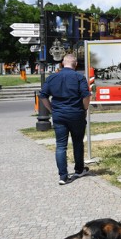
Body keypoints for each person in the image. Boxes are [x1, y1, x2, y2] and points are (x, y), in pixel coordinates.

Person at [39, 53, 91, 185]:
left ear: (62, 63)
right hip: (76, 114)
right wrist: (85, 109)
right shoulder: (79, 77)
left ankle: (63, 176)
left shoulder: (52, 77)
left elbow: (43, 95)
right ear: (76, 64)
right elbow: (86, 96)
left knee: (61, 145)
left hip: (59, 115)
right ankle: (79, 169)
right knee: (78, 142)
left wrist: (51, 109)